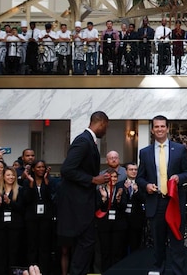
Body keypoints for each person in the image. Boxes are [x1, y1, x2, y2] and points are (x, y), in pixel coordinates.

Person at [136, 115, 187, 275]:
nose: (159, 129)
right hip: (156, 202)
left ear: (167, 128)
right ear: (152, 130)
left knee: (176, 241)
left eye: (162, 126)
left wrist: (178, 178)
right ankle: (158, 270)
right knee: (158, 243)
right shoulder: (145, 152)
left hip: (174, 202)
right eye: (156, 127)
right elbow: (140, 177)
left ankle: (177, 272)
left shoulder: (180, 149)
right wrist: (146, 185)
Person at [57, 111, 111, 275]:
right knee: (86, 242)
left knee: (87, 242)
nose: (105, 131)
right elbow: (66, 169)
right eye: (106, 127)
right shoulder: (83, 141)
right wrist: (93, 180)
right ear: (101, 123)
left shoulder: (89, 141)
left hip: (84, 202)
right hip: (77, 204)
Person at [23, 160, 55, 275]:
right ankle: (32, 270)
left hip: (45, 218)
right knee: (32, 245)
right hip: (31, 218)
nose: (41, 169)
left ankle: (44, 271)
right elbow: (26, 200)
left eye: (43, 167)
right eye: (38, 167)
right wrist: (31, 184)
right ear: (33, 169)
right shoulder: (27, 182)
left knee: (44, 246)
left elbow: (51, 199)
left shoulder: (49, 181)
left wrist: (46, 182)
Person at [0, 166, 24, 275]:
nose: (11, 177)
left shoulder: (20, 189)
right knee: (1, 253)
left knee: (13, 252)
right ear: (3, 177)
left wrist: (10, 202)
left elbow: (21, 208)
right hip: (0, 226)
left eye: (12, 175)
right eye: (8, 175)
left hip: (15, 226)